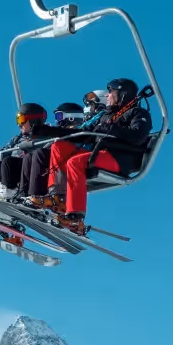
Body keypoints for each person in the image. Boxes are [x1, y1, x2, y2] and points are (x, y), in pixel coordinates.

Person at [47, 78, 152, 234]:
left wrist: (112, 129)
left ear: (122, 95)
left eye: (111, 92)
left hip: (120, 158)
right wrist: (52, 133)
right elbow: (82, 133)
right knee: (58, 147)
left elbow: (137, 135)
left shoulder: (138, 113)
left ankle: (76, 217)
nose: (108, 95)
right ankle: (58, 198)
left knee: (75, 162)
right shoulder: (106, 116)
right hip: (100, 153)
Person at [23, 102, 84, 205]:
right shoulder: (60, 131)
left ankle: (40, 196)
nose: (57, 120)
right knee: (30, 156)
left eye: (59, 116)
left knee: (40, 153)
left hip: (71, 158)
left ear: (71, 117)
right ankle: (24, 195)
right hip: (59, 157)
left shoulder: (78, 130)